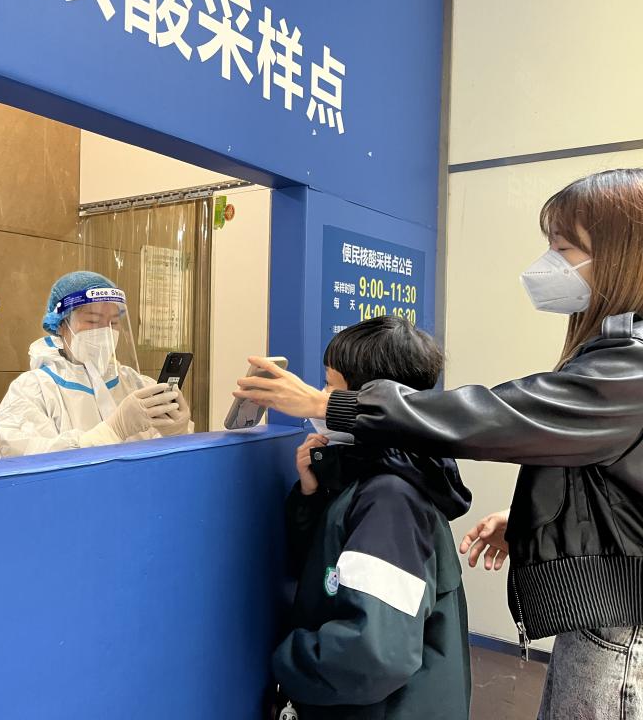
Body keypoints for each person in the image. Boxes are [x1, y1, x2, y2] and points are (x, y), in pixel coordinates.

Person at [236, 169, 643, 719]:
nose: (550, 265)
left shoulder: (390, 497)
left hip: (620, 633)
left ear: (621, 256)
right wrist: (533, 520)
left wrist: (328, 406)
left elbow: (497, 417)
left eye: (565, 249)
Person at [271, 316, 472, 720]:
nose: (321, 398)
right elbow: (329, 565)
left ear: (367, 401)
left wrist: (287, 662)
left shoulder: (390, 498)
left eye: (330, 387)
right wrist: (312, 494)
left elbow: (375, 653)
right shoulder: (383, 475)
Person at [0, 271, 192, 457]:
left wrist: (176, 433)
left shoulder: (136, 383)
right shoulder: (32, 390)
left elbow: (166, 464)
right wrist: (113, 430)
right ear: (61, 325)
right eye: (93, 321)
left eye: (114, 323)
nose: (106, 331)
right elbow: (31, 462)